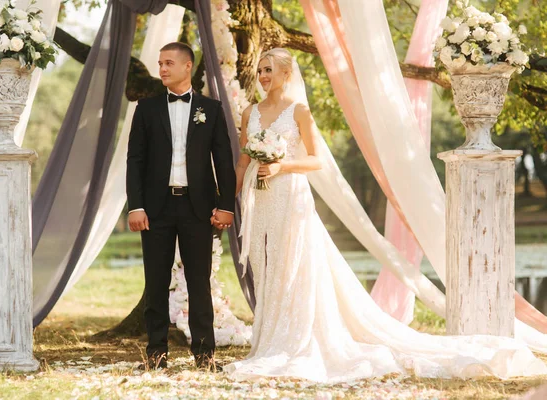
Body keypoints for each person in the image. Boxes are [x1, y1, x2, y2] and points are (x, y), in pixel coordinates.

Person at [225, 48, 547, 382]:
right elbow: (243, 162)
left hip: (291, 196)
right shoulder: (250, 113)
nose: (263, 77)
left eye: (269, 70)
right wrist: (227, 201)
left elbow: (316, 160)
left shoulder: (299, 112)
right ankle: (270, 338)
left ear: (285, 74)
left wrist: (282, 164)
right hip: (261, 200)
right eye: (260, 70)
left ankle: (294, 338)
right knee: (267, 265)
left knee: (292, 263)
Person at [126, 42, 236, 371]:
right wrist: (136, 206)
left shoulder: (211, 110)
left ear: (188, 67)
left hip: (198, 208)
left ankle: (205, 356)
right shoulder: (146, 109)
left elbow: (224, 162)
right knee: (156, 282)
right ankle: (156, 355)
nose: (161, 69)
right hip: (155, 209)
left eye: (168, 63)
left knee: (199, 283)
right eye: (159, 63)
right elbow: (135, 161)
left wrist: (226, 205)